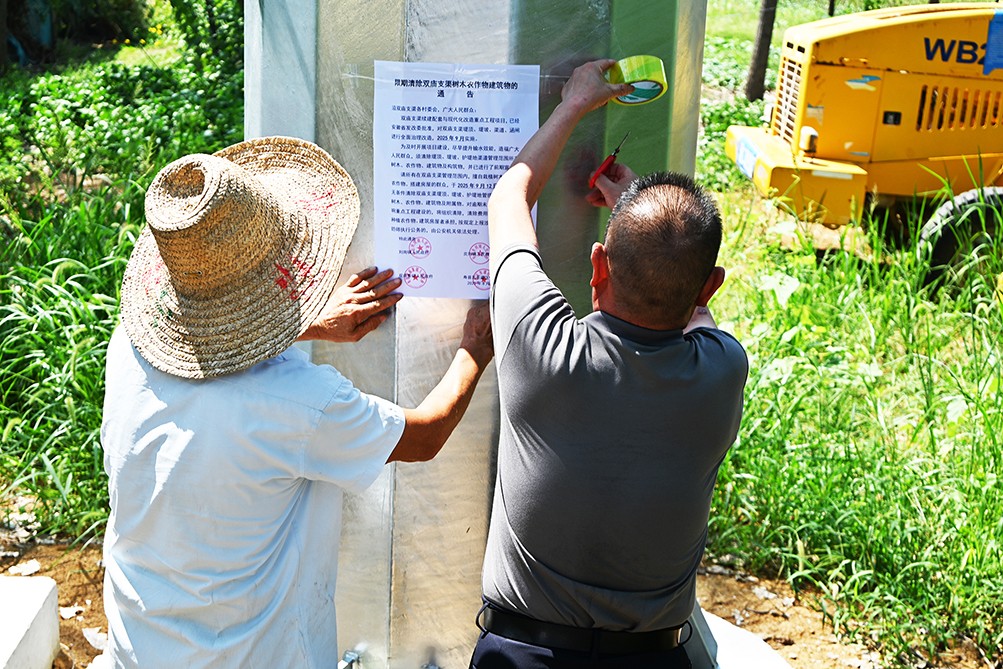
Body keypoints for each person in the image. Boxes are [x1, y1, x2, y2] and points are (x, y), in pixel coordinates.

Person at [100, 136, 494, 668]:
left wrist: (307, 326)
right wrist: (474, 348)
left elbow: (208, 351)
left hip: (137, 647)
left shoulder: (132, 343)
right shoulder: (299, 405)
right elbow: (425, 434)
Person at [469, 60, 748, 669]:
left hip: (524, 656)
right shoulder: (724, 371)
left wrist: (573, 104)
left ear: (597, 266)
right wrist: (647, 217)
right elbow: (695, 309)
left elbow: (508, 197)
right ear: (712, 285)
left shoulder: (542, 349)